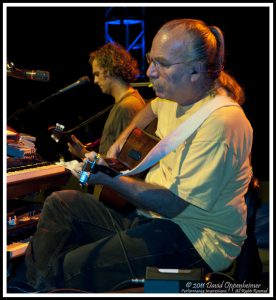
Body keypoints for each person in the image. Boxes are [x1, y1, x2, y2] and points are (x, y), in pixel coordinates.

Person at [24, 19, 253, 293]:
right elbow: (152, 109)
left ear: (195, 69)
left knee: (71, 268)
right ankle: (31, 287)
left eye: (162, 64)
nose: (150, 72)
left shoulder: (222, 121)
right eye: (150, 60)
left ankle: (45, 284)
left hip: (194, 239)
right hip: (154, 219)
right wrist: (121, 141)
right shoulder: (173, 97)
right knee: (61, 203)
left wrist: (109, 178)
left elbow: (172, 205)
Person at [67, 42, 146, 158]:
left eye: (97, 74)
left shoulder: (127, 106)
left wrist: (83, 154)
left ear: (110, 69)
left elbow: (121, 162)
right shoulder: (125, 103)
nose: (95, 80)